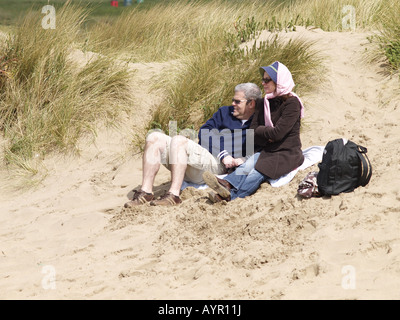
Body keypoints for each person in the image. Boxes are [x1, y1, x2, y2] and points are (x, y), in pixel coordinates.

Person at [124, 82, 262, 207]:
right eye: (233, 100)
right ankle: (146, 192)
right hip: (204, 157)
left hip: (217, 167)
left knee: (179, 140)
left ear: (251, 104)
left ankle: (174, 195)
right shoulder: (224, 112)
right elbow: (204, 131)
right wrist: (223, 154)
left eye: (237, 101)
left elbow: (261, 150)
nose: (233, 103)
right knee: (154, 137)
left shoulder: (259, 122)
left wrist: (241, 159)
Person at [202, 61, 305, 202]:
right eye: (263, 79)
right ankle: (227, 183)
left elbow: (278, 133)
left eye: (267, 80)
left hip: (287, 152)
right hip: (269, 150)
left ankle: (232, 197)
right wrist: (269, 134)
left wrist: (264, 131)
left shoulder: (292, 104)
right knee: (248, 164)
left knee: (257, 172)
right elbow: (253, 133)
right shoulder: (264, 103)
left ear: (279, 81)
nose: (263, 83)